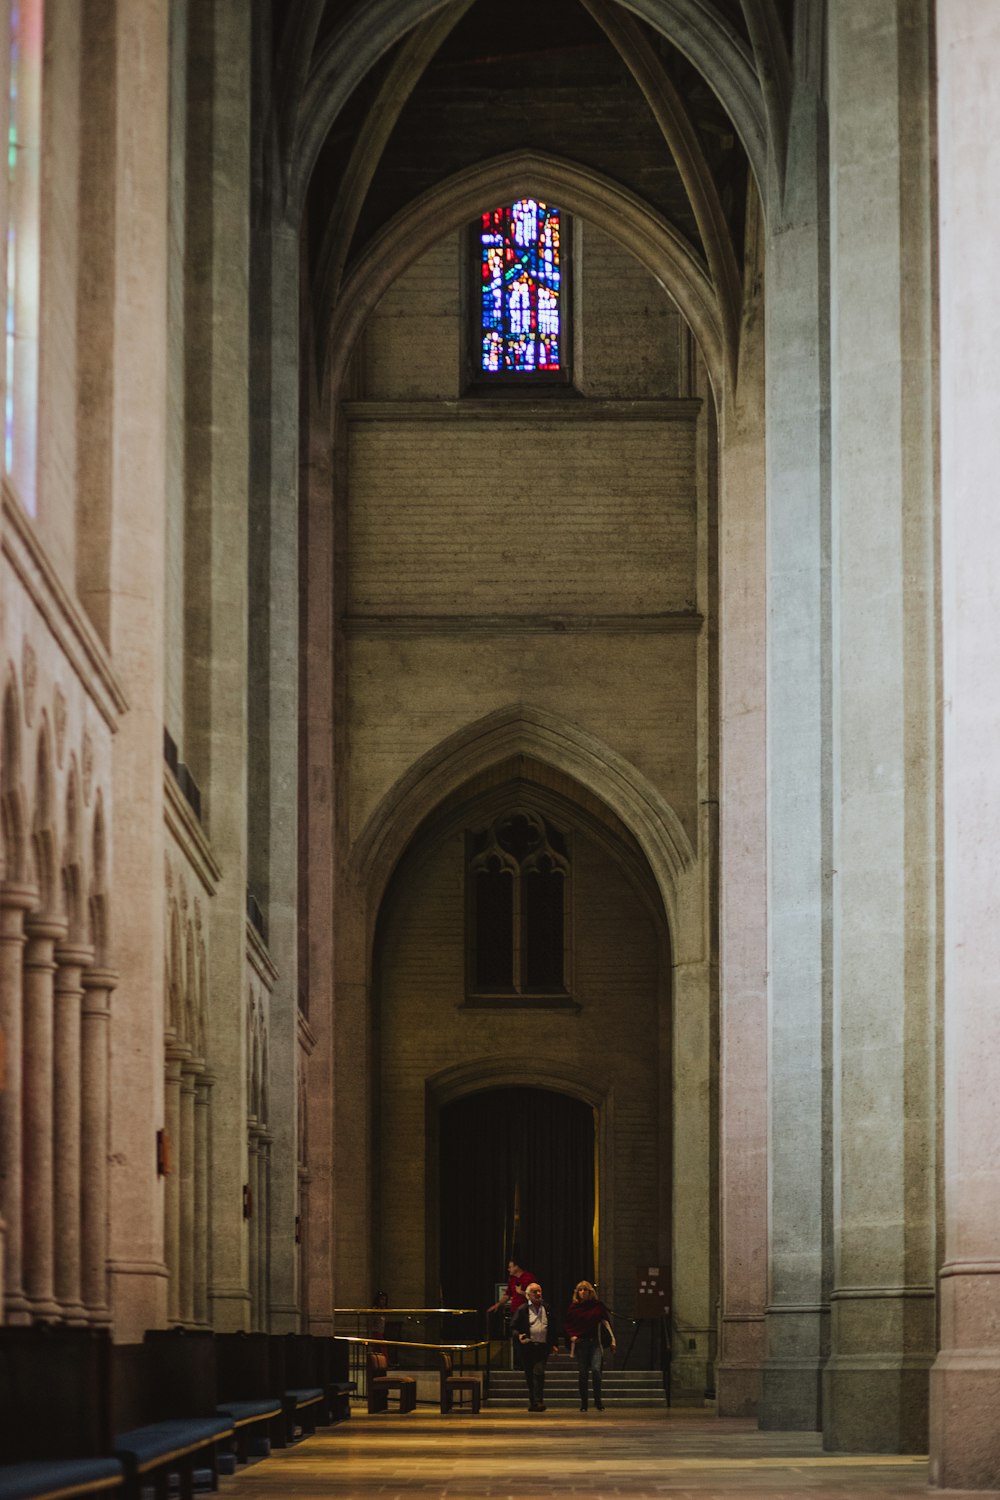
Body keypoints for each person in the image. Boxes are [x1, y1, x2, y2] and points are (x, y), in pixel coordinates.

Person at [563, 1279, 616, 1411]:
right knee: (583, 1373)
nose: (583, 1292)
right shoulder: (574, 1307)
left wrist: (613, 1340)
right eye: (580, 1290)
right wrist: (572, 1336)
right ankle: (584, 1403)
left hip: (595, 1343)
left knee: (597, 1371)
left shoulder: (597, 1306)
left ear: (590, 1292)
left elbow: (606, 1322)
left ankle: (598, 1401)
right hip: (581, 1344)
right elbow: (568, 1324)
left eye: (585, 1290)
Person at [510, 1282, 560, 1411]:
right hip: (528, 1347)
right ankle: (534, 1401)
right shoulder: (522, 1309)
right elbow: (513, 1327)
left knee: (539, 1372)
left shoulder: (547, 1308)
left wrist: (554, 1344)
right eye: (535, 1292)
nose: (538, 1294)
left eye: (539, 1291)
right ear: (528, 1295)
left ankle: (538, 1400)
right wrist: (519, 1335)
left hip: (543, 1346)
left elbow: (553, 1327)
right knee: (529, 1374)